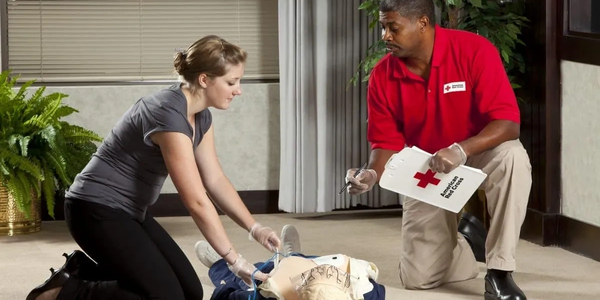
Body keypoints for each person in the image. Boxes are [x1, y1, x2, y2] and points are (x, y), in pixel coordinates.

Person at [26, 35, 282, 300]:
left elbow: (215, 180)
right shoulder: (167, 113)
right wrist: (233, 259)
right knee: (167, 297)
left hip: (130, 212)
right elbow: (195, 200)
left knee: (190, 293)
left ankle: (83, 271)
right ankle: (64, 292)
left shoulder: (201, 115)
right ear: (205, 79)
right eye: (232, 82)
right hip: (94, 210)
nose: (238, 90)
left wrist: (255, 228)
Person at [344, 1, 532, 300]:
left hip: (479, 150)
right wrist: (370, 174)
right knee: (418, 279)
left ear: (422, 23)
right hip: (428, 165)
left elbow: (508, 125)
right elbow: (386, 143)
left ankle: (499, 273)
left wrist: (461, 149)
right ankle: (465, 244)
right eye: (383, 27)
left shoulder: (474, 50)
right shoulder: (382, 76)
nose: (385, 36)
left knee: (513, 157)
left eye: (393, 27)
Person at [195, 224, 386, 300]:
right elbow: (376, 282)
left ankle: (218, 265)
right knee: (308, 261)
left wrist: (233, 265)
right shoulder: (368, 292)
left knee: (246, 281)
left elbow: (225, 296)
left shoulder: (271, 296)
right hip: (311, 267)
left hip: (271, 281)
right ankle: (295, 255)